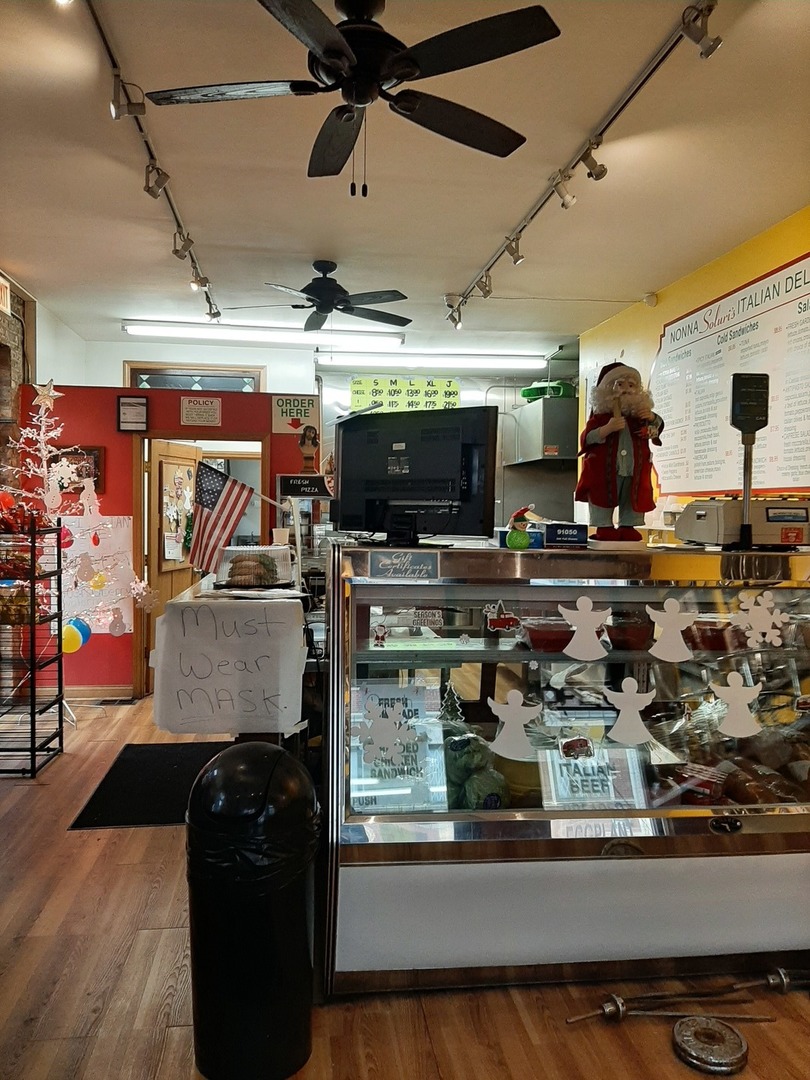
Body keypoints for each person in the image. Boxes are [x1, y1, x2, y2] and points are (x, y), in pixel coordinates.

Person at [574, 360, 664, 542]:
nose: (626, 389)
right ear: (607, 389)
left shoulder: (640, 418)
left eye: (632, 385)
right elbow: (586, 438)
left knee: (632, 497)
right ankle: (604, 526)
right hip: (604, 471)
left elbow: (657, 429)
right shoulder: (600, 417)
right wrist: (606, 429)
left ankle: (628, 525)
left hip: (634, 470)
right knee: (601, 496)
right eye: (620, 384)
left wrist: (653, 418)